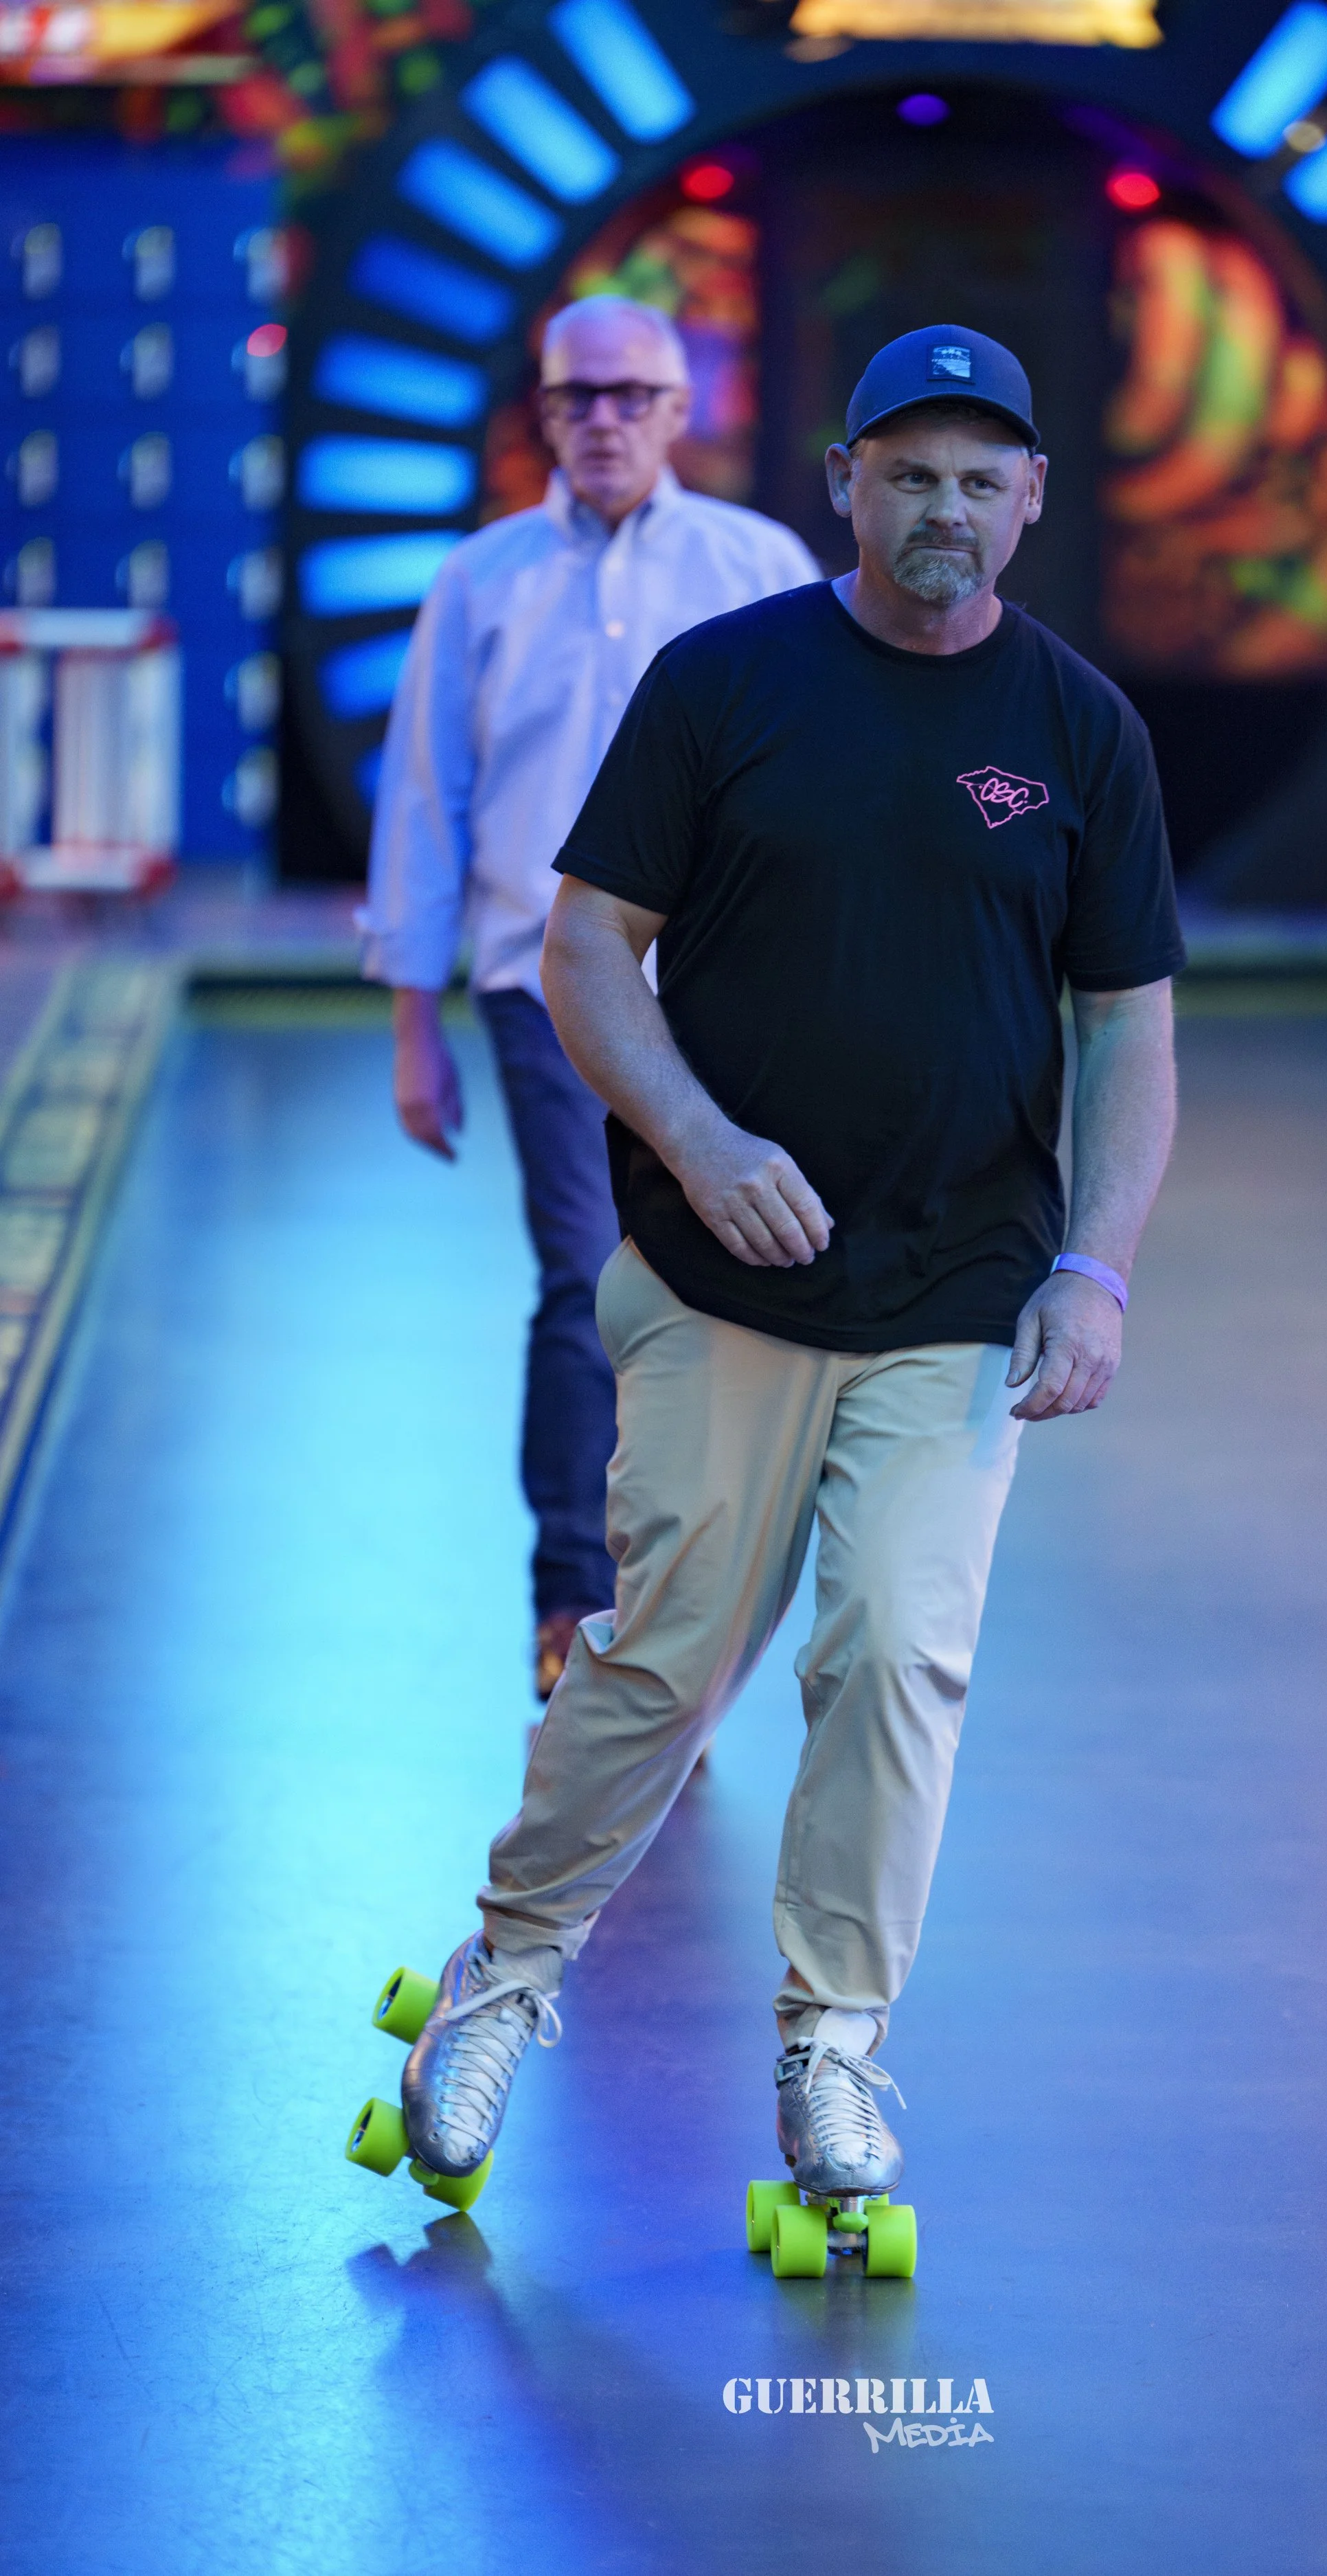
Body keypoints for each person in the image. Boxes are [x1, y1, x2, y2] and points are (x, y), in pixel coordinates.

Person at [394, 325, 1184, 2219]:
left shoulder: (1079, 728)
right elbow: (586, 951)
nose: (945, 507)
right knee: (659, 1661)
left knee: (896, 1654)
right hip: (719, 1281)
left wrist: (1097, 1261)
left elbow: (1130, 1028)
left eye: (981, 477)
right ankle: (503, 1974)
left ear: (1030, 502)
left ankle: (832, 2043)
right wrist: (700, 1138)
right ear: (843, 479)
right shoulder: (724, 680)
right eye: (908, 470)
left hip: (955, 1300)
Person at [359, 297, 821, 1699]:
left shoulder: (760, 568)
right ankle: (572, 1600)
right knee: (585, 1281)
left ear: (680, 412)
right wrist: (409, 1024)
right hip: (536, 984)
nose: (605, 421)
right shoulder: (482, 580)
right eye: (578, 399)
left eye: (632, 396)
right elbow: (428, 794)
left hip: (727, 990)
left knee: (726, 1292)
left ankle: (685, 1611)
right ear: (543, 415)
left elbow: (819, 790)